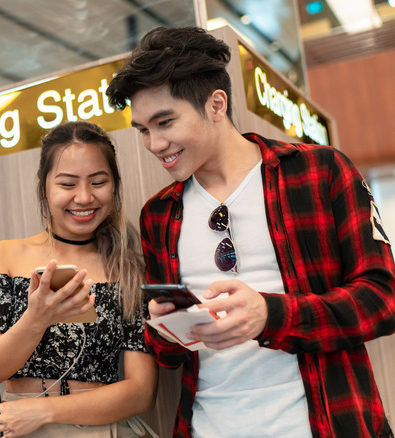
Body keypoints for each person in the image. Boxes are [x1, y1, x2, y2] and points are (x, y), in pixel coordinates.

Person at [106, 26, 395, 438]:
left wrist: (271, 315)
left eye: (165, 122)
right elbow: (167, 356)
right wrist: (167, 328)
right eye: (143, 130)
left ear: (216, 104)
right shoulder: (159, 214)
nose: (154, 143)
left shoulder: (320, 171)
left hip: (325, 425)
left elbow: (384, 299)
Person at [0, 121, 158, 437]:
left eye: (98, 182)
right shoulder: (3, 256)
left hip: (103, 426)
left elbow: (142, 392)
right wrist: (37, 318)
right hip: (20, 427)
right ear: (44, 187)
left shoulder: (129, 266)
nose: (85, 197)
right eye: (68, 184)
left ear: (114, 185)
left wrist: (42, 410)